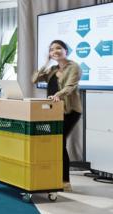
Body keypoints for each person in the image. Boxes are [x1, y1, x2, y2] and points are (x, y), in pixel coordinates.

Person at [32, 39, 83, 188]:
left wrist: (58, 95)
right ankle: (54, 176)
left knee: (59, 142)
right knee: (54, 143)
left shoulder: (74, 67)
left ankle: (65, 181)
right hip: (53, 110)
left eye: (58, 48)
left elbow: (70, 86)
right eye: (52, 49)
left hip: (70, 111)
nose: (55, 51)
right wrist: (46, 62)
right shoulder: (53, 69)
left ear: (66, 50)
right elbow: (34, 79)